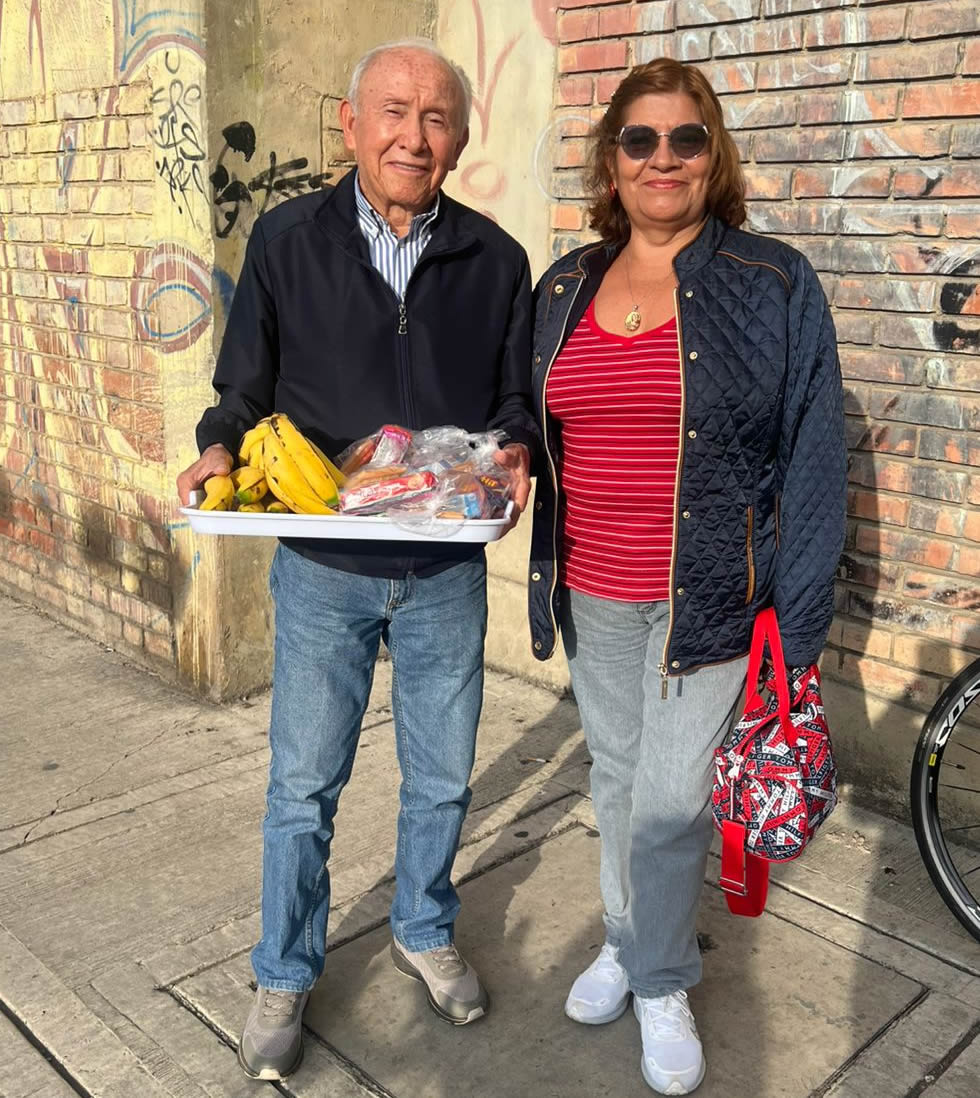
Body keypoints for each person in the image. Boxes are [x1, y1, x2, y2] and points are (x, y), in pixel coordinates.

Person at [176, 39, 538, 1082]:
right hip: (323, 565)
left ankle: (422, 928)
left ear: (458, 139)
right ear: (350, 124)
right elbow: (243, 386)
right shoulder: (287, 240)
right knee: (303, 785)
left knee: (440, 780)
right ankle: (284, 970)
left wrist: (516, 448)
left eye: (435, 117)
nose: (412, 137)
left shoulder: (495, 260)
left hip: (444, 566)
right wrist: (217, 446)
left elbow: (514, 398)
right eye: (392, 112)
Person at [527, 59, 845, 1095]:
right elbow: (533, 425)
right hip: (592, 590)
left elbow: (813, 456)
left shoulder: (770, 281)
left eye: (685, 138)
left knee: (671, 798)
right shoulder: (565, 285)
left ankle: (661, 979)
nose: (661, 159)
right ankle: (627, 942)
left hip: (710, 597)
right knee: (617, 779)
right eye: (639, 140)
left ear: (713, 156)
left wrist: (798, 624)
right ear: (610, 161)